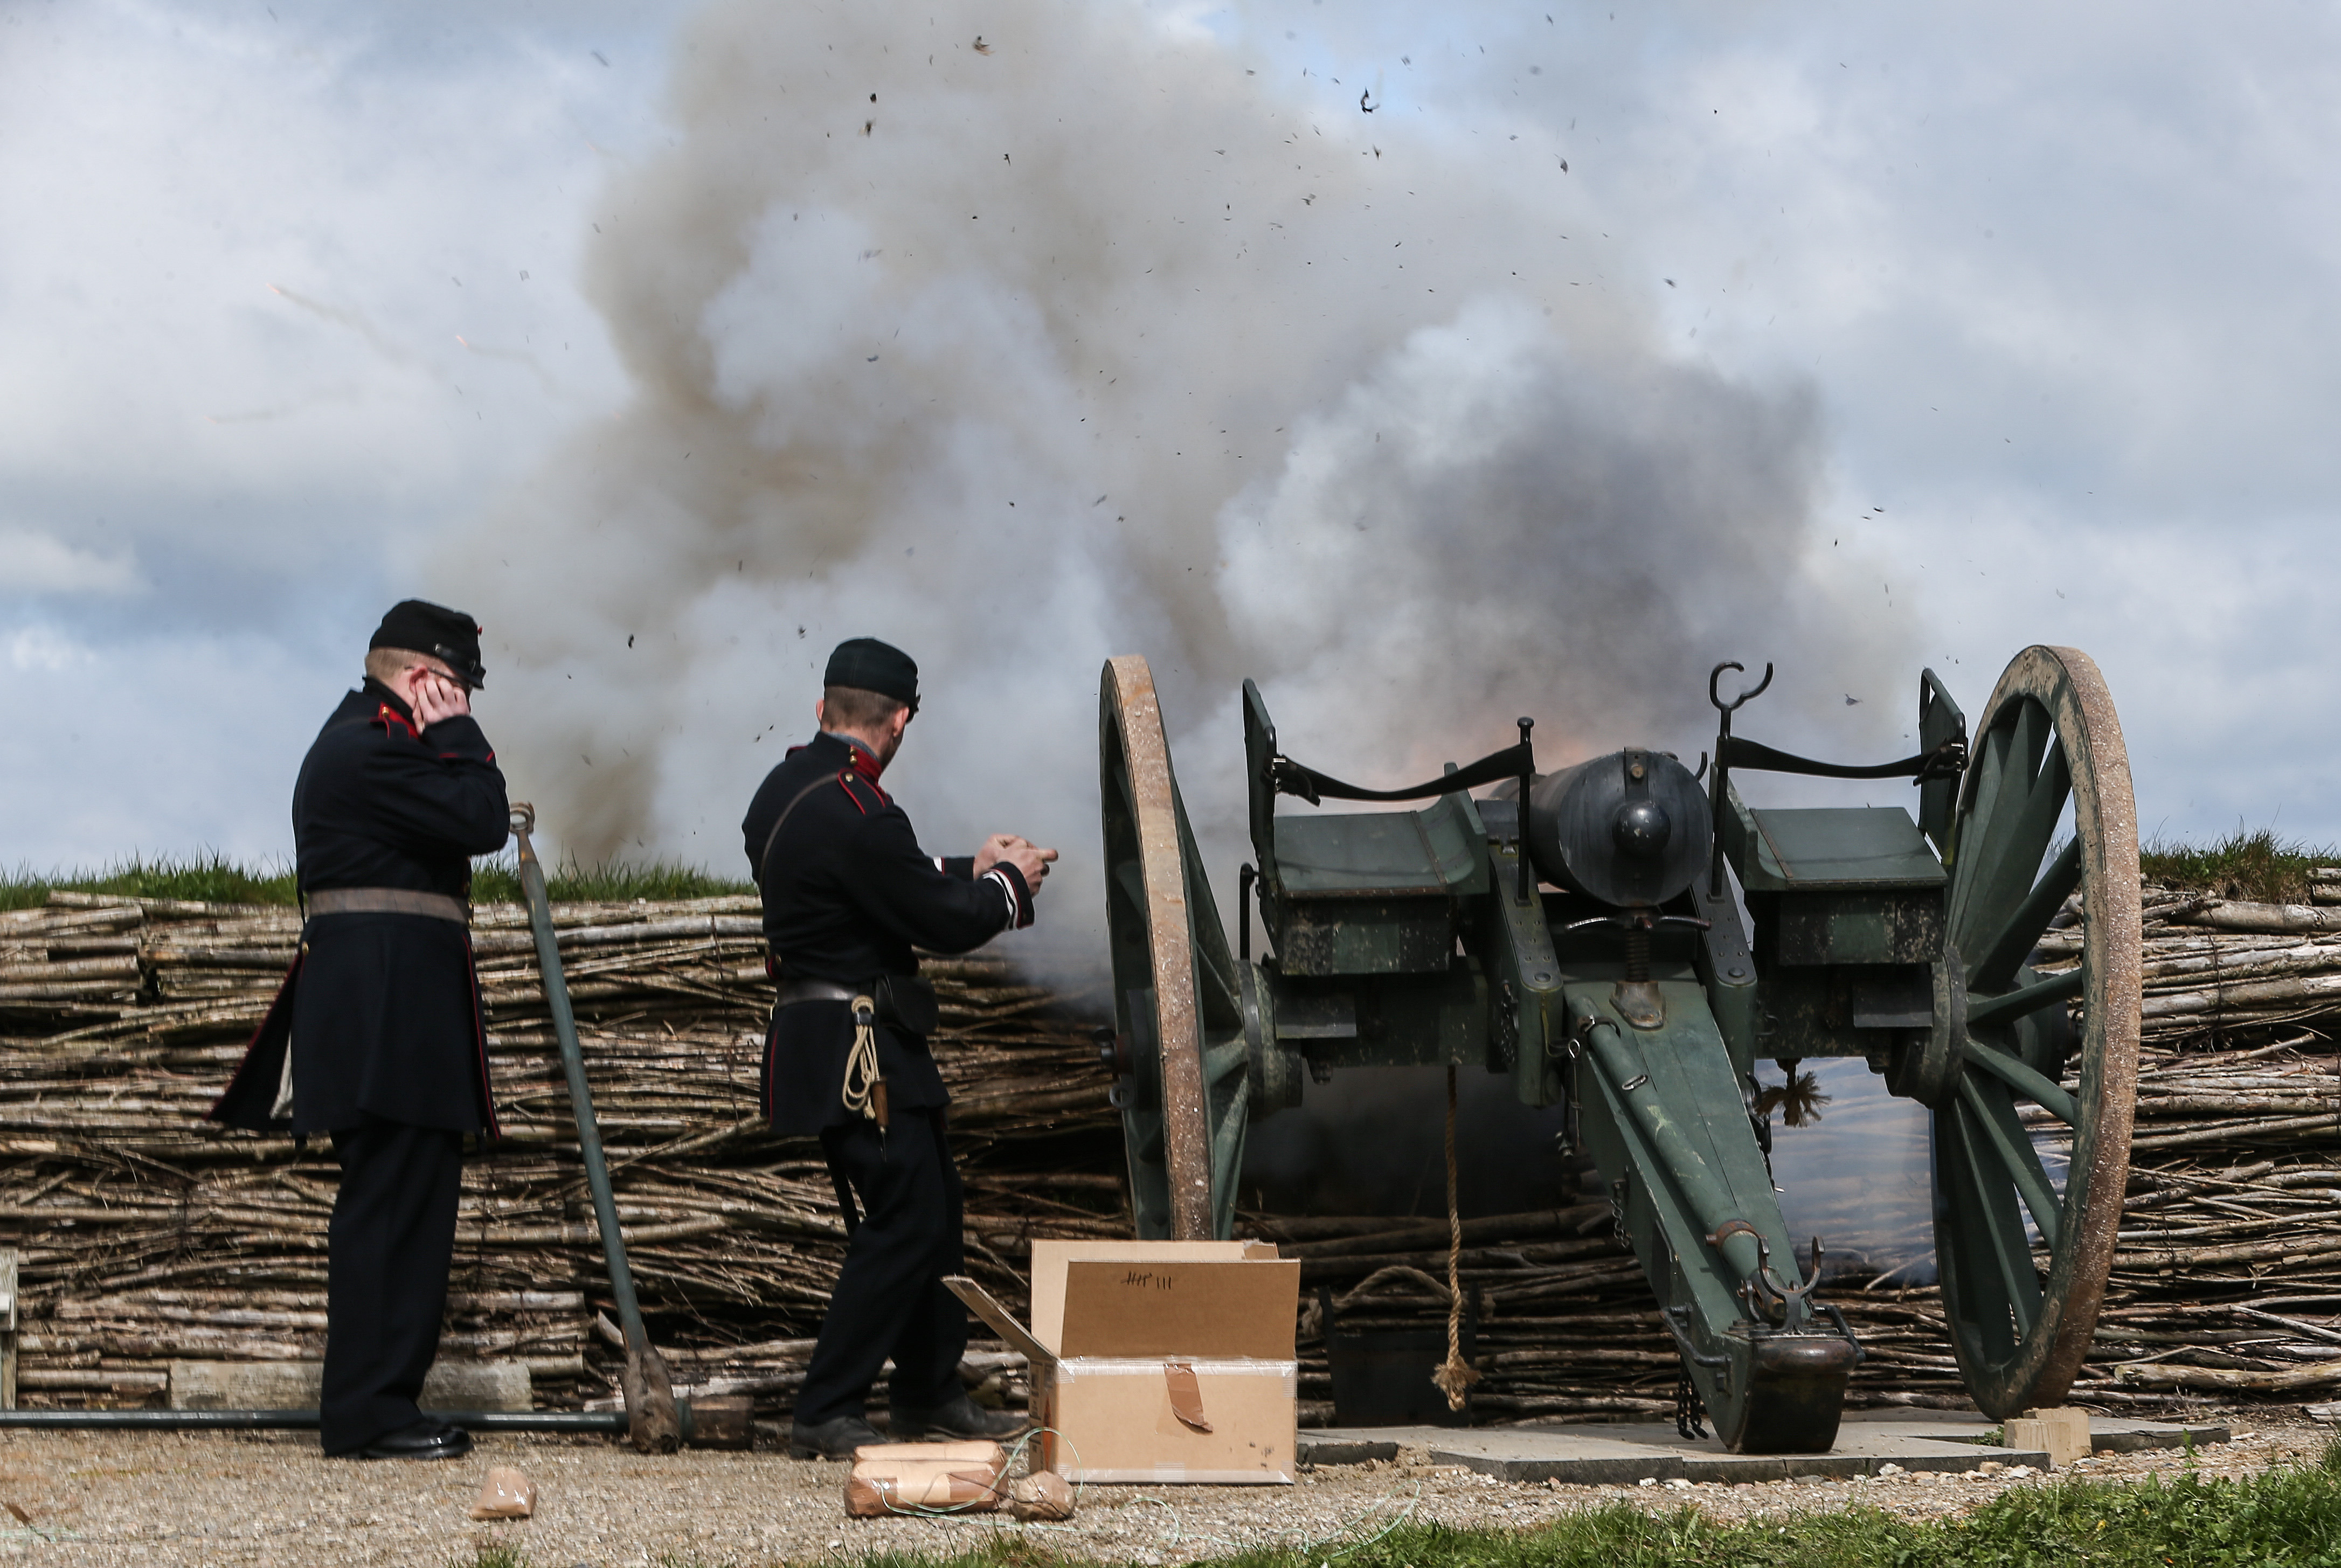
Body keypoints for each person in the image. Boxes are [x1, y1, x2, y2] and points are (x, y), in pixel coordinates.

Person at [744, 637, 1057, 1459]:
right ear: (900, 719)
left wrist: (967, 862)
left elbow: (878, 880)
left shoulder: (787, 791)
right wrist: (1010, 882)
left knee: (934, 1210)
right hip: (861, 1052)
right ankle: (826, 1406)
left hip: (845, 1040)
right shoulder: (858, 811)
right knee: (905, 1220)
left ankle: (929, 1390)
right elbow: (941, 919)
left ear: (824, 708)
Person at [212, 600, 509, 1461]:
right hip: (386, 1011)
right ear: (423, 679)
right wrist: (462, 736)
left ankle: (379, 1405)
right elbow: (481, 818)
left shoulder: (371, 743)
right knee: (388, 1214)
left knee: (406, 1208)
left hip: (395, 1005)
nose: (463, 703)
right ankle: (369, 1413)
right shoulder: (370, 748)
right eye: (456, 687)